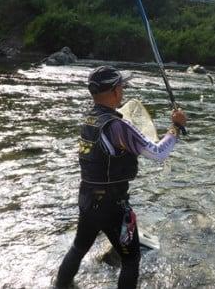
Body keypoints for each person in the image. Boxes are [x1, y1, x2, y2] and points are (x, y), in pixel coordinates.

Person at [54, 65, 187, 289]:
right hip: (113, 207)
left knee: (78, 247)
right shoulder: (119, 126)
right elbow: (158, 153)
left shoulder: (89, 120)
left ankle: (61, 285)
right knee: (131, 260)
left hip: (87, 200)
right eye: (122, 86)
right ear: (115, 91)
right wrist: (175, 126)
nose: (123, 91)